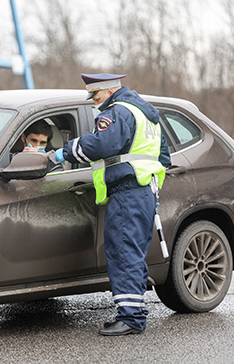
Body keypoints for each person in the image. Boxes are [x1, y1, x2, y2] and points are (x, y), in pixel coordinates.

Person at [55, 73, 171, 336]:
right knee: (133, 252)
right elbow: (164, 157)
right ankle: (135, 312)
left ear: (108, 92)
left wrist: (67, 150)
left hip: (127, 193)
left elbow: (102, 144)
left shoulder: (119, 111)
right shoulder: (147, 114)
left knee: (123, 252)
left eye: (96, 97)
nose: (96, 103)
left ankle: (130, 318)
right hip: (144, 192)